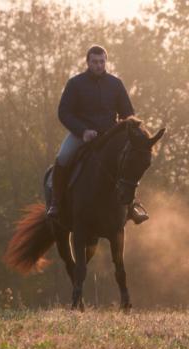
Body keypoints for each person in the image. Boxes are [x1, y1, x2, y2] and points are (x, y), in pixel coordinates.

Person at [47, 45, 149, 224]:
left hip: (110, 137)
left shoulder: (115, 84)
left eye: (102, 61)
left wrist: (130, 131)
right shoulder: (75, 83)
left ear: (105, 62)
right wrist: (83, 131)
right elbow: (64, 112)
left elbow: (127, 112)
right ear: (87, 62)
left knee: (129, 162)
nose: (98, 65)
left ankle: (131, 207)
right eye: (94, 62)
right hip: (82, 136)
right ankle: (56, 203)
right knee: (62, 157)